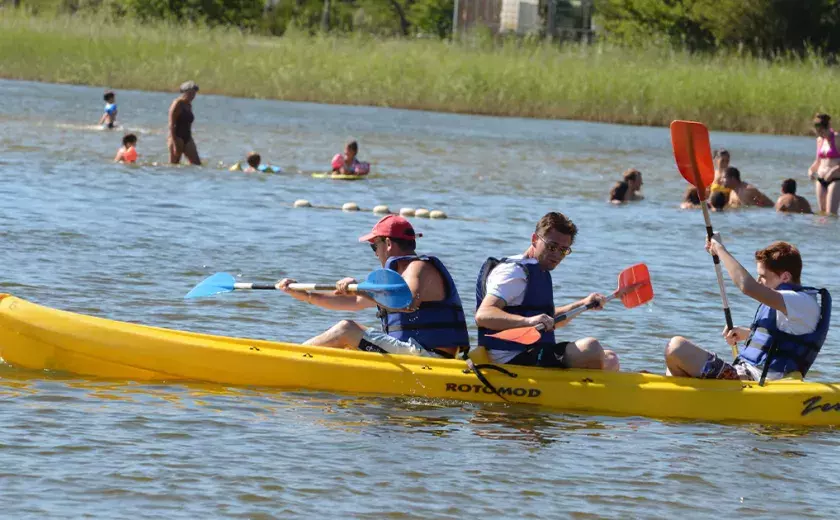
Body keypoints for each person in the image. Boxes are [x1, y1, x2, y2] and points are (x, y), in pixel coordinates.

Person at [275, 215, 470, 358]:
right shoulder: (398, 276)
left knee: (346, 329)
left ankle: (287, 361)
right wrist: (305, 294)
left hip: (431, 358)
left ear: (388, 243)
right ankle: (300, 360)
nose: (376, 253)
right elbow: (353, 301)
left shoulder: (417, 267)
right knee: (348, 342)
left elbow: (408, 302)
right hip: (414, 353)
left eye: (374, 246)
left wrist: (361, 288)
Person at [665, 240, 830, 381]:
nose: (759, 280)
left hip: (756, 381)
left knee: (676, 347)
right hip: (745, 374)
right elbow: (781, 339)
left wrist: (720, 250)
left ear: (785, 277)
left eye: (763, 276)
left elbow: (747, 286)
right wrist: (745, 334)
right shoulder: (792, 303)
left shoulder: (799, 300)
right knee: (673, 366)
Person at [474, 212, 619, 370]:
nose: (557, 254)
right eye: (552, 246)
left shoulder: (539, 270)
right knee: (590, 348)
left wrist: (584, 303)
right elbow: (484, 315)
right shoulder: (514, 272)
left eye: (564, 250)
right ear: (535, 239)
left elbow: (551, 321)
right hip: (510, 358)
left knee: (610, 358)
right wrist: (528, 322)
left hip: (535, 352)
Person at [807, 113, 840, 215]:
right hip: (821, 180)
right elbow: (818, 161)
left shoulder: (837, 138)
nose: (821, 134)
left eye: (822, 131)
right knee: (822, 214)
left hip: (835, 179)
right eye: (818, 132)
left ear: (828, 127)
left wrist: (832, 171)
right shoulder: (820, 140)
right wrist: (811, 170)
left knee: (830, 214)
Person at [168, 81, 201, 165]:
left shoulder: (189, 105)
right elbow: (171, 124)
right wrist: (175, 143)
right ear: (184, 92)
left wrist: (189, 138)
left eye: (194, 94)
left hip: (187, 137)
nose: (192, 96)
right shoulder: (177, 104)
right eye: (190, 93)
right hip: (176, 137)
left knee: (197, 164)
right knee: (174, 165)